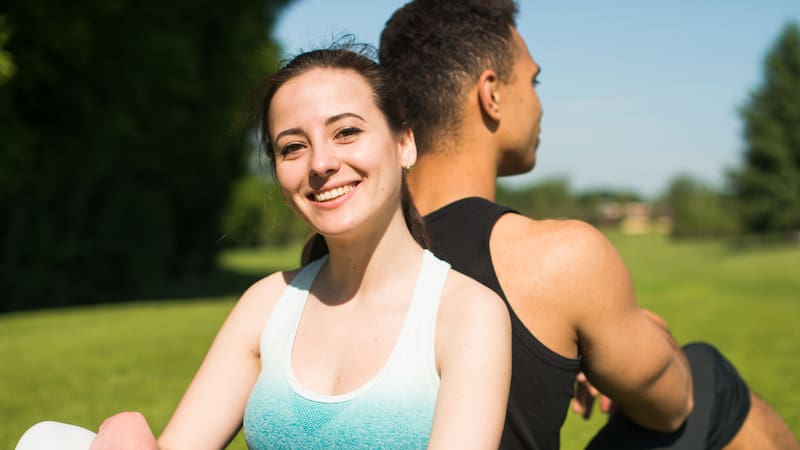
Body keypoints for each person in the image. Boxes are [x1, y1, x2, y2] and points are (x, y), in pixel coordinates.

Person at [16, 46, 512, 450]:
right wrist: (124, 431)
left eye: (346, 132)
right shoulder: (267, 304)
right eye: (292, 146)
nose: (320, 163)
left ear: (404, 143)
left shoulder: (469, 313)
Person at [372, 1, 800, 449]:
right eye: (534, 81)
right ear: (491, 94)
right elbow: (672, 403)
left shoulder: (331, 256)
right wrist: (642, 334)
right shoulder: (558, 259)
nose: (539, 104)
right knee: (708, 374)